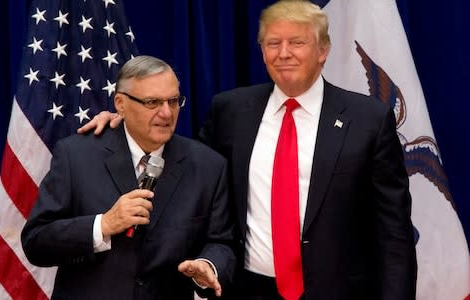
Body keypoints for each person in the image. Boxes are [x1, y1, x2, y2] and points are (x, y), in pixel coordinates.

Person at [79, 1, 417, 299]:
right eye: (273, 43)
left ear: (323, 50)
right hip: (244, 289)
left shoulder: (368, 119)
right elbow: (185, 169)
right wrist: (126, 121)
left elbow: (394, 233)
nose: (283, 53)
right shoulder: (231, 111)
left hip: (340, 291)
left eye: (297, 42)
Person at [21, 55, 235, 300]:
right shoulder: (75, 156)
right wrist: (102, 225)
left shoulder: (208, 166)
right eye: (152, 102)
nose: (166, 113)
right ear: (120, 104)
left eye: (173, 101)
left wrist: (209, 265)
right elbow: (36, 242)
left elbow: (222, 243)